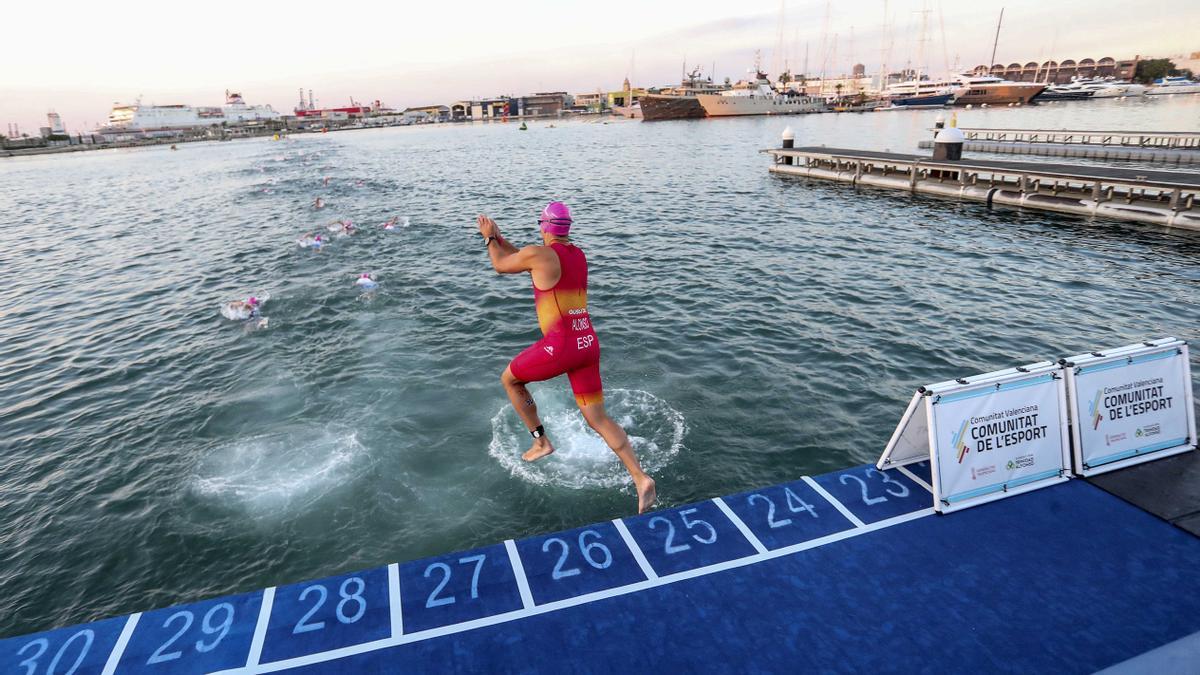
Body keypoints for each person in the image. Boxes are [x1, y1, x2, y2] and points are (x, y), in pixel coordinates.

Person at [478, 202, 656, 513]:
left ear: (544, 226)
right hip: (587, 343)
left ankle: (541, 441)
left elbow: (501, 265)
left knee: (510, 379)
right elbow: (528, 259)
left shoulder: (540, 254)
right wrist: (502, 238)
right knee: (598, 419)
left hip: (560, 346)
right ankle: (640, 478)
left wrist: (489, 239)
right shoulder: (576, 255)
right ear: (566, 228)